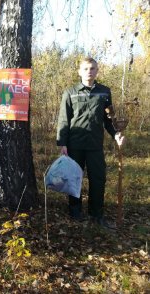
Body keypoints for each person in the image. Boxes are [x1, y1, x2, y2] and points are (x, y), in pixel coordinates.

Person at [56, 57, 124, 227]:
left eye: (93, 68)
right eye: (86, 69)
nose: (89, 72)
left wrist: (116, 134)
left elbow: (109, 119)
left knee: (98, 178)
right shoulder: (70, 92)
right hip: (74, 144)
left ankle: (96, 214)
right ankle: (75, 211)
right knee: (74, 178)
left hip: (95, 145)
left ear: (97, 71)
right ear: (79, 71)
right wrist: (62, 143)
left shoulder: (104, 92)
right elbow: (64, 119)